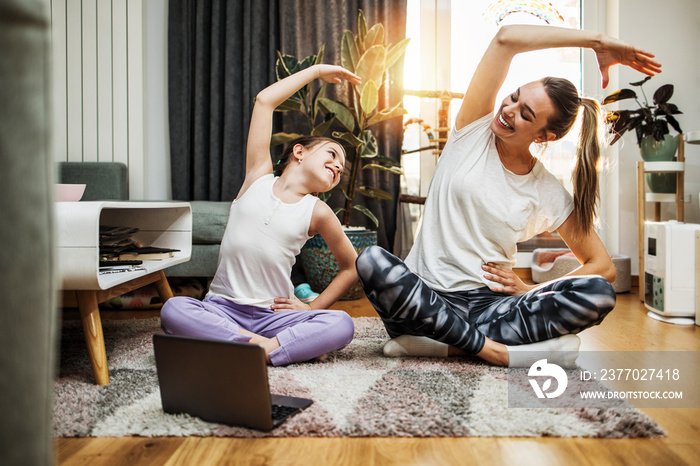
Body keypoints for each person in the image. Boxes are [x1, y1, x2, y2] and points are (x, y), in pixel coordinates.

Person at [356, 25, 662, 367]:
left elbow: (602, 267)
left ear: (544, 136)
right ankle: (491, 350)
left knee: (600, 294)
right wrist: (597, 42)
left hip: (491, 309)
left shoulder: (546, 189)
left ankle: (444, 343)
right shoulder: (473, 131)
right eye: (515, 96)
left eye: (525, 114)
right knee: (372, 261)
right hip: (425, 300)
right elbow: (505, 39)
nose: (509, 109)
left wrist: (532, 292)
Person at [161, 64, 362, 366]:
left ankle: (242, 346)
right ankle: (272, 349)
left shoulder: (317, 211)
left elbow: (352, 267)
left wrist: (312, 309)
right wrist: (318, 71)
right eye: (332, 153)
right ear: (299, 152)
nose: (337, 166)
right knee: (173, 310)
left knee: (342, 324)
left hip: (275, 316)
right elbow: (264, 101)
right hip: (222, 309)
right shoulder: (258, 177)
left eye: (340, 169)